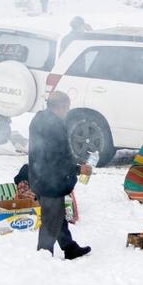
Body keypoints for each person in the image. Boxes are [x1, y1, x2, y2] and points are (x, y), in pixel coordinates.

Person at [27, 91, 91, 259]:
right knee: (50, 221)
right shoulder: (53, 126)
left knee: (56, 216)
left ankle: (69, 247)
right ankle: (43, 255)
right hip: (50, 181)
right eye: (67, 108)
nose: (67, 111)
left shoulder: (39, 119)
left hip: (39, 177)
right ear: (60, 107)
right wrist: (78, 169)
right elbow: (56, 158)